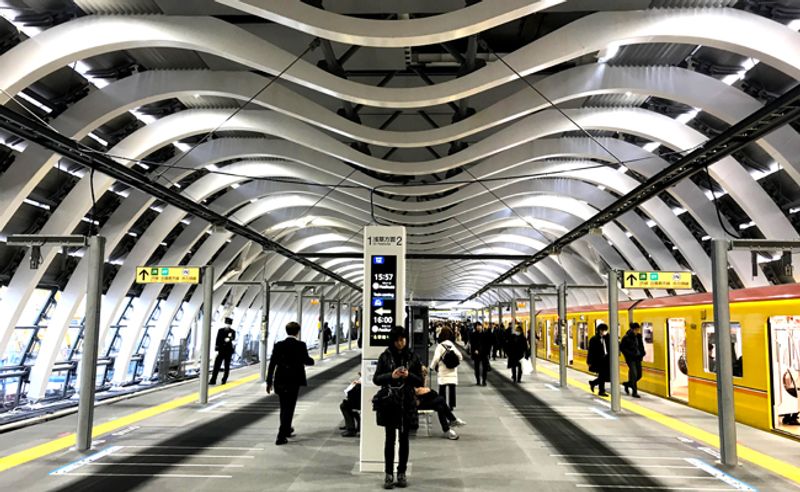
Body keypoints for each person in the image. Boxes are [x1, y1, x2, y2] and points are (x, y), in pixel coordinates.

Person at [374, 326, 423, 489]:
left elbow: (420, 382)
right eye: (398, 340)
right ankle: (388, 473)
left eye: (403, 339)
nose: (401, 343)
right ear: (393, 341)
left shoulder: (413, 357)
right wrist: (391, 376)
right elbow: (376, 379)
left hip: (407, 402)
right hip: (390, 402)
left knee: (404, 440)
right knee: (389, 439)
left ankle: (401, 472)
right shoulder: (384, 357)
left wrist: (409, 375)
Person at [267, 321, 315, 445]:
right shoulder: (301, 345)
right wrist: (311, 361)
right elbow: (307, 360)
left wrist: (269, 381)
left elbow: (272, 364)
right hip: (294, 381)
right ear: (297, 332)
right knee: (289, 407)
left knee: (284, 406)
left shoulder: (278, 345)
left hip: (280, 380)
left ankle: (287, 429)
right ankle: (281, 435)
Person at [416, 367, 466, 440]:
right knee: (441, 399)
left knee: (440, 407)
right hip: (417, 403)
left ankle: (447, 429)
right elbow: (418, 391)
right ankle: (452, 420)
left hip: (422, 400)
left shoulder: (418, 379)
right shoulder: (412, 380)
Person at [430, 326, 462, 409]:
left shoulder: (440, 346)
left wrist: (431, 367)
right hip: (452, 370)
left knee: (442, 388)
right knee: (452, 388)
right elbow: (460, 356)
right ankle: (452, 405)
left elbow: (436, 358)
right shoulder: (451, 345)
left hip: (443, 369)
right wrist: (454, 361)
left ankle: (442, 404)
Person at [620, 322, 645, 398]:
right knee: (634, 374)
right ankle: (634, 392)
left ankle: (627, 384)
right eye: (636, 330)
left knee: (639, 375)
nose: (637, 331)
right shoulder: (626, 338)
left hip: (638, 358)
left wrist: (643, 352)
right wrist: (630, 354)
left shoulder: (639, 336)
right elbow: (622, 348)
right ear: (632, 329)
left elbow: (641, 346)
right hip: (630, 359)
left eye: (638, 330)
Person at [209, 317, 236, 385]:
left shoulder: (232, 331)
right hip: (221, 350)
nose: (228, 325)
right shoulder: (220, 330)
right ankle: (213, 379)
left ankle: (224, 379)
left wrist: (230, 338)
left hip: (228, 351)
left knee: (226, 366)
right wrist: (216, 347)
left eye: (229, 324)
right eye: (227, 323)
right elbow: (217, 339)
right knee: (217, 365)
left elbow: (233, 338)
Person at [587, 323, 610, 396]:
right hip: (599, 360)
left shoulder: (608, 338)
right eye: (603, 330)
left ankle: (593, 383)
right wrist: (589, 361)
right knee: (603, 375)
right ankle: (601, 391)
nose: (604, 332)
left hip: (607, 359)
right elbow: (590, 351)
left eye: (605, 330)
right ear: (599, 330)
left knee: (604, 376)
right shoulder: (594, 339)